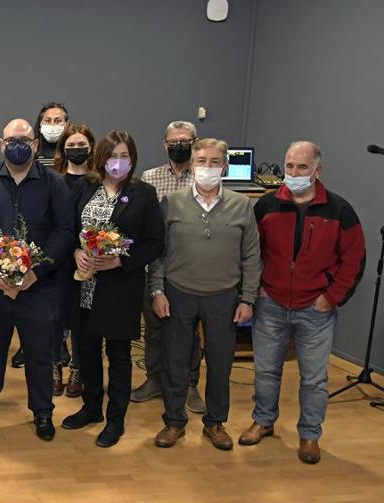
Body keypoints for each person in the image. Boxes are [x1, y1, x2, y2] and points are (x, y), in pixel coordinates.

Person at [242, 141, 365, 464]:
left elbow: (353, 260)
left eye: (302, 168)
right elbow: (252, 253)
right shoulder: (266, 206)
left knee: (314, 378)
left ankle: (310, 435)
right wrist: (257, 290)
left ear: (317, 170)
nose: (294, 174)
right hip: (271, 303)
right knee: (266, 370)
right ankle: (263, 421)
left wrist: (331, 297)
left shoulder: (340, 211)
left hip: (316, 309)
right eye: (290, 167)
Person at [0, 119, 76, 441]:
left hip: (38, 286)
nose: (18, 144)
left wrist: (37, 272)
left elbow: (65, 230)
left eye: (24, 139)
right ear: (1, 143)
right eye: (12, 139)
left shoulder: (54, 183)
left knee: (40, 353)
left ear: (36, 145)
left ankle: (42, 412)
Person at [149, 138, 261, 450]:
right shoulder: (171, 203)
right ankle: (173, 422)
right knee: (175, 361)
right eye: (201, 161)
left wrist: (248, 298)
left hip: (223, 297)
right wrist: (157, 290)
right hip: (178, 293)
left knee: (221, 363)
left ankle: (215, 423)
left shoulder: (242, 206)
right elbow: (158, 253)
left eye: (214, 162)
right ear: (192, 164)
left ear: (225, 167)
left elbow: (252, 256)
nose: (207, 167)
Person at [60, 131, 164, 447]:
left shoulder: (143, 194)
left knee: (118, 355)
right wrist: (75, 252)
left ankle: (115, 419)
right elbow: (67, 229)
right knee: (86, 350)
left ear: (132, 159)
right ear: (101, 157)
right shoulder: (85, 187)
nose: (117, 163)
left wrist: (121, 261)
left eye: (124, 156)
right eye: (112, 156)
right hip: (84, 284)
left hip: (120, 286)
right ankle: (91, 409)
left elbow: (155, 243)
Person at [135, 121, 206, 413]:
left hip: (191, 267)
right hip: (155, 263)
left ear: (194, 142)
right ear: (165, 145)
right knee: (154, 327)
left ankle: (188, 384)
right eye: (173, 141)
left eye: (185, 141)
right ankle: (154, 379)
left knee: (189, 330)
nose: (179, 145)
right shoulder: (149, 178)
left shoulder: (204, 178)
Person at [50, 122, 98, 397]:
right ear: (63, 148)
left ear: (91, 147)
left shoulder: (98, 180)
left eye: (82, 145)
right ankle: (55, 365)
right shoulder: (53, 178)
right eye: (71, 145)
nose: (77, 149)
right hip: (59, 259)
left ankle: (77, 370)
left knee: (82, 319)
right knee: (56, 317)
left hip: (89, 262)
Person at [34, 102, 69, 170]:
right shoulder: (32, 149)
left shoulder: (72, 150)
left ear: (66, 124)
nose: (52, 125)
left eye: (58, 121)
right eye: (47, 120)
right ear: (41, 123)